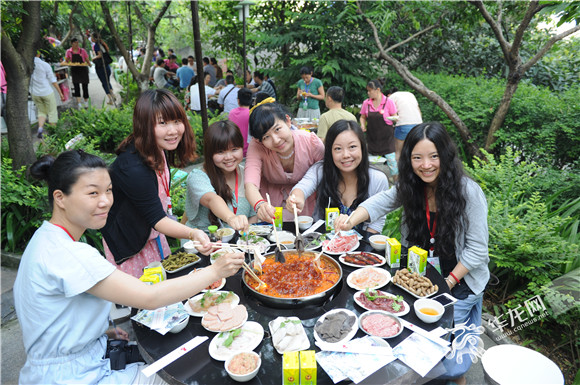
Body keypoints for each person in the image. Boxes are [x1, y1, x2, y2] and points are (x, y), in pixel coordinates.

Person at [14, 150, 243, 384]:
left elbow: (55, 315)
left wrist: (98, 334)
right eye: (93, 193)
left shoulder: (46, 237)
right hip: (72, 376)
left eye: (108, 190)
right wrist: (214, 271)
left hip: (76, 359)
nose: (105, 201)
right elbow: (149, 297)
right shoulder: (69, 253)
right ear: (60, 198)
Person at [335, 121, 489, 384]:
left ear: (445, 156)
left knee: (443, 355)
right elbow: (380, 202)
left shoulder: (468, 192)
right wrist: (350, 220)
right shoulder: (411, 185)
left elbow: (477, 250)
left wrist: (447, 284)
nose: (425, 165)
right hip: (421, 276)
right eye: (417, 157)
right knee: (416, 339)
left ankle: (457, 378)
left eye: (433, 157)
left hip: (458, 282)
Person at [101, 89, 213, 278]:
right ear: (144, 125)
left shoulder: (154, 147)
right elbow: (158, 220)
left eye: (177, 121)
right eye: (162, 123)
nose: (173, 130)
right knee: (145, 299)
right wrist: (194, 234)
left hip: (151, 235)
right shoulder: (133, 168)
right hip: (132, 244)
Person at [287, 120, 388, 233]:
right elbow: (303, 187)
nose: (346, 155)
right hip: (324, 245)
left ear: (362, 148)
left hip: (361, 247)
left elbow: (377, 221)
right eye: (338, 149)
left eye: (352, 147)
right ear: (330, 151)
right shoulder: (320, 170)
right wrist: (296, 199)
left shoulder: (377, 179)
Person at [245, 101, 324, 222]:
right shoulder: (257, 146)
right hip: (272, 209)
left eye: (277, 129)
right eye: (266, 137)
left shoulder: (311, 142)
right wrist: (260, 205)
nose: (276, 140)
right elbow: (250, 184)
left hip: (307, 206)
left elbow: (325, 169)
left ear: (287, 121)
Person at [184, 120, 257, 233]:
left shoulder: (247, 174)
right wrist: (231, 218)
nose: (228, 157)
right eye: (220, 152)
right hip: (200, 243)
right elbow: (211, 199)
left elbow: (253, 215)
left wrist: (246, 237)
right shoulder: (197, 177)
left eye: (234, 149)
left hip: (237, 246)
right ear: (210, 153)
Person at [360, 79, 398, 178]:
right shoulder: (366, 103)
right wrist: (363, 125)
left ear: (377, 90)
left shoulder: (388, 102)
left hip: (387, 140)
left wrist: (392, 119)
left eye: (370, 91)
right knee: (372, 167)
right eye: (367, 91)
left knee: (393, 166)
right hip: (372, 140)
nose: (368, 93)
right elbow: (362, 117)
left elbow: (395, 116)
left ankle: (397, 186)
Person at [30, 51, 65, 139]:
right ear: (38, 53)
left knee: (41, 112)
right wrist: (60, 93)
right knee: (52, 112)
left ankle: (40, 129)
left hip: (35, 93)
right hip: (46, 92)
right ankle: (53, 135)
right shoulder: (44, 64)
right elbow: (53, 81)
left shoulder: (27, 65)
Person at [386, 87, 423, 162]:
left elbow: (390, 115)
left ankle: (399, 173)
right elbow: (419, 111)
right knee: (416, 152)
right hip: (419, 125)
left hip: (403, 125)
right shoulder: (410, 94)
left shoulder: (391, 98)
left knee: (398, 152)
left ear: (389, 95)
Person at [91, 32, 116, 106]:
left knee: (104, 83)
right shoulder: (102, 44)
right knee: (107, 82)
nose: (91, 39)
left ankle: (111, 99)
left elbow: (100, 55)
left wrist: (93, 58)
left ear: (94, 38)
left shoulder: (96, 45)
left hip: (101, 67)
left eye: (91, 37)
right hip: (107, 66)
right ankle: (113, 95)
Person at [65, 38, 91, 109]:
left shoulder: (82, 50)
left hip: (83, 69)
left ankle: (86, 103)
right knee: (76, 87)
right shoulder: (68, 51)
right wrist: (67, 62)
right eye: (75, 43)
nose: (77, 44)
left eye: (77, 43)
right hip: (74, 70)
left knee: (85, 86)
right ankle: (79, 104)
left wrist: (89, 64)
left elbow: (86, 59)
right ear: (72, 43)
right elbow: (67, 61)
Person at [228, 88, 252, 157]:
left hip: (234, 148)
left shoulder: (232, 113)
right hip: (248, 151)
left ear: (238, 100)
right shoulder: (252, 114)